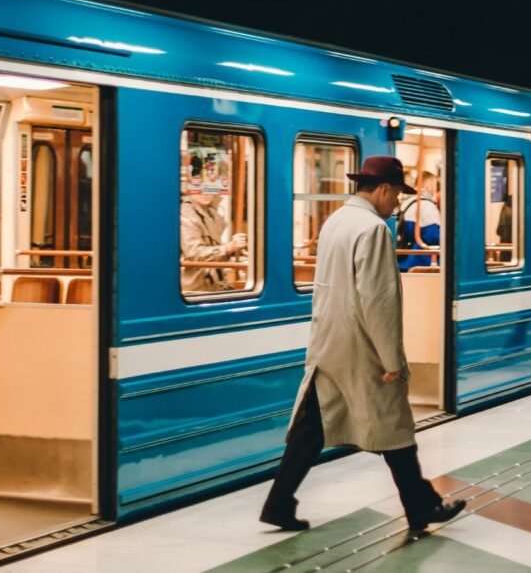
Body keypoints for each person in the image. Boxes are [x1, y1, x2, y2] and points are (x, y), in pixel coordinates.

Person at [260, 156, 465, 533]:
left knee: (311, 428)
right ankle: (421, 508)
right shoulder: (372, 229)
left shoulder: (335, 221)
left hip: (329, 342)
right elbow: (378, 300)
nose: (396, 205)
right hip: (362, 349)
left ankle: (278, 503)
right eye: (397, 196)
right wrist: (392, 359)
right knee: (395, 429)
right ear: (384, 189)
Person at [179, 193, 247, 293]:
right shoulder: (185, 213)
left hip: (214, 285)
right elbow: (194, 254)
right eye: (200, 186)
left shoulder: (212, 212)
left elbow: (215, 250)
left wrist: (234, 250)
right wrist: (228, 247)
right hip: (195, 289)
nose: (206, 192)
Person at [397, 171, 441, 271]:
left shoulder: (407, 204)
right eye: (435, 186)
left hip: (404, 260)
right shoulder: (427, 205)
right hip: (421, 262)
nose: (435, 190)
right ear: (428, 186)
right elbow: (433, 236)